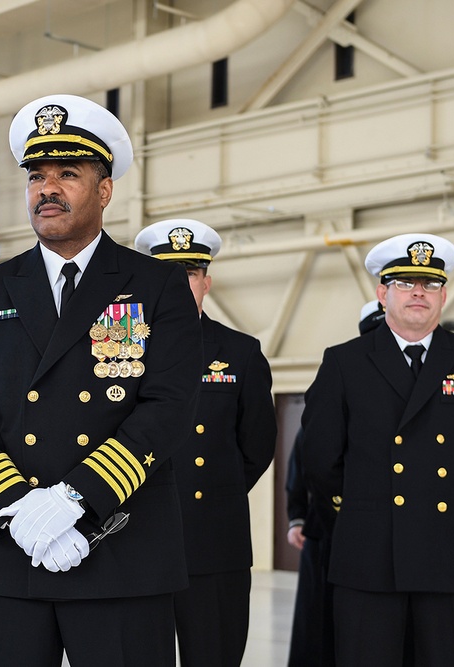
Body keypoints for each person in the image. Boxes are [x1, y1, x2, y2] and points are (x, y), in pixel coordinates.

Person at [0, 93, 202, 666]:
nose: (46, 188)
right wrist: (17, 506)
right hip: (9, 548)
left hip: (121, 545)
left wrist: (78, 499)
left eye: (67, 173)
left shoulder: (156, 286)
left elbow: (169, 405)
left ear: (104, 190)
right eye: (36, 175)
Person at [301, 233, 454, 666]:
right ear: (383, 293)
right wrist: (366, 508)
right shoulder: (344, 362)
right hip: (369, 558)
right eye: (404, 283)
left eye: (430, 284)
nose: (418, 292)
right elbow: (320, 458)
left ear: (443, 295)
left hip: (452, 556)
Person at [134, 218, 277, 666]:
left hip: (214, 537)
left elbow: (256, 445)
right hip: (135, 534)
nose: (178, 282)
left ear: (206, 283)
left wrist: (214, 491)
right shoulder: (116, 349)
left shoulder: (240, 352)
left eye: (190, 272)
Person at [286, 299, 384, 667]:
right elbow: (308, 456)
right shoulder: (344, 374)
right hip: (329, 524)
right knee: (321, 621)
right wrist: (299, 515)